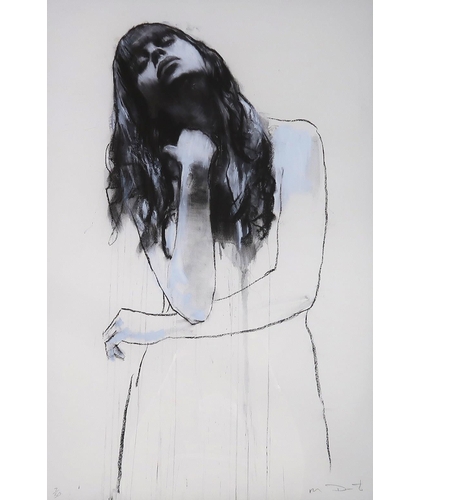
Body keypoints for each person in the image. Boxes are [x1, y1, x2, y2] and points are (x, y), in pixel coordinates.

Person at [102, 23, 329, 497]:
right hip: (178, 397)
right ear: (139, 97)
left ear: (202, 52)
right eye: (141, 61)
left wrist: (159, 328)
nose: (156, 55)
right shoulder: (150, 185)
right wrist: (195, 172)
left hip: (276, 390)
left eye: (165, 42)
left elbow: (297, 288)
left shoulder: (295, 142)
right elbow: (194, 303)